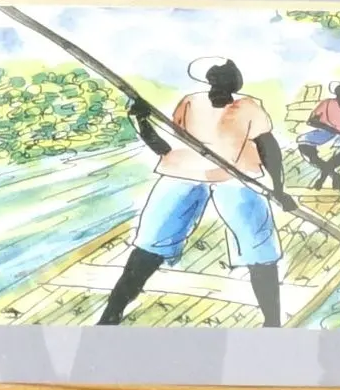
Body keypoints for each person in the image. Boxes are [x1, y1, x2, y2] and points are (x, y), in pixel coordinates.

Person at [97, 59, 287, 325]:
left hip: (236, 177)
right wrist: (142, 120)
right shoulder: (190, 103)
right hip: (183, 174)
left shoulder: (248, 107)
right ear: (208, 81)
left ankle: (273, 322)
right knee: (150, 244)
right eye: (215, 81)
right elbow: (164, 148)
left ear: (235, 85)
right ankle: (110, 316)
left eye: (226, 82)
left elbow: (269, 148)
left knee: (259, 246)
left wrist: (279, 189)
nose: (220, 89)